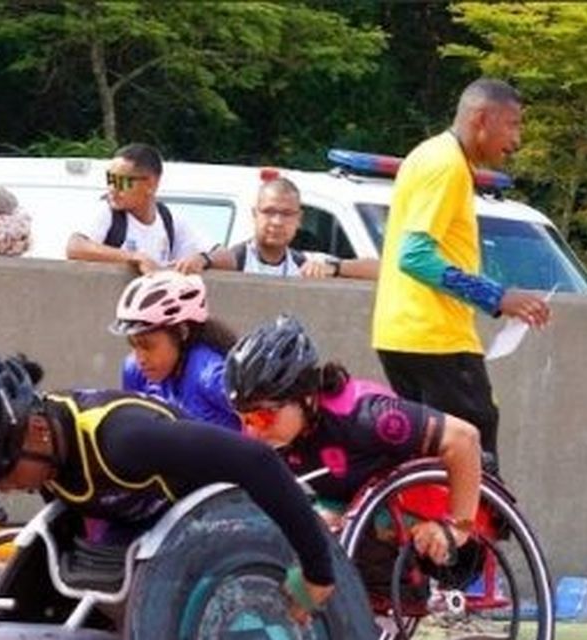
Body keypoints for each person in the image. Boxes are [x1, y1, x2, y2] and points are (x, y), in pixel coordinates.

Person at [0, 349, 334, 617]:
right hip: (157, 534)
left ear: (36, 431)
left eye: (4, 473)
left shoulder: (123, 439)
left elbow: (258, 460)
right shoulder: (49, 455)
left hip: (236, 522)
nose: (4, 488)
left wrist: (317, 572)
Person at [370, 78, 552, 464]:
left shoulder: (427, 155)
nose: (517, 139)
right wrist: (497, 296)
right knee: (475, 463)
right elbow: (415, 256)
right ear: (482, 119)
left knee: (428, 464)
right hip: (437, 340)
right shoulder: (446, 165)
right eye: (513, 124)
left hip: (400, 336)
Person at [223, 314, 482, 567]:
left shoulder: (368, 416)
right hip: (356, 507)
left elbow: (464, 439)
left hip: (438, 516)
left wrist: (457, 526)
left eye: (262, 417)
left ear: (305, 397)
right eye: (244, 418)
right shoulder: (279, 433)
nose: (252, 431)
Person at [109, 271, 240, 430]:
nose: (140, 359)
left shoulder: (211, 377)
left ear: (182, 332)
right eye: (133, 345)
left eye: (148, 346)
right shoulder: (133, 371)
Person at [65, 143, 214, 274]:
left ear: (151, 183)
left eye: (121, 182)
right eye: (110, 179)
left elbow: (226, 256)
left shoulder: (169, 220)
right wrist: (134, 258)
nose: (112, 188)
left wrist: (203, 259)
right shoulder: (107, 212)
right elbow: (75, 247)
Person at [206, 177, 377, 280]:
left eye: (287, 214)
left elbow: (382, 271)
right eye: (269, 212)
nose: (277, 221)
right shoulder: (236, 259)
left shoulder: (303, 262)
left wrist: (334, 268)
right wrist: (204, 259)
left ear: (299, 219)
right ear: (254, 215)